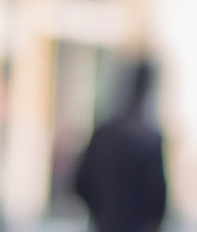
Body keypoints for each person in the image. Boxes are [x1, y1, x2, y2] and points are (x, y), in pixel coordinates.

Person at [72, 57, 169, 232]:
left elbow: (80, 182)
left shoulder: (104, 133)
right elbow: (158, 203)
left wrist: (101, 209)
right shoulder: (149, 139)